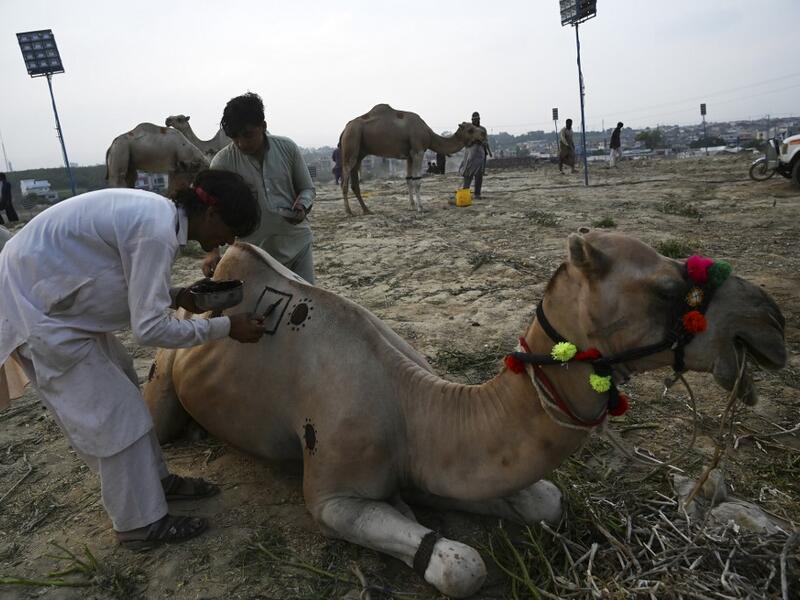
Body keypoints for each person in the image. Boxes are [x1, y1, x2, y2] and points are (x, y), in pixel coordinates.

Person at [0, 169, 268, 550]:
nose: (226, 242)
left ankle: (155, 482)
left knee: (124, 380)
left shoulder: (158, 217)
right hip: (39, 312)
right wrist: (225, 327)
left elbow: (116, 278)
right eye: (229, 230)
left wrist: (175, 295)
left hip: (59, 301)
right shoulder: (156, 231)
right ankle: (138, 525)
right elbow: (149, 330)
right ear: (211, 215)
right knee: (112, 415)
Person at [205, 93, 316, 284]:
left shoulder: (287, 148)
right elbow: (211, 211)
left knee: (304, 308)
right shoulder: (222, 163)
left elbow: (307, 189)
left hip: (297, 245)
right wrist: (212, 252)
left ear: (263, 126)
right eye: (234, 137)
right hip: (252, 255)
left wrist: (301, 207)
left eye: (247, 135)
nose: (241, 144)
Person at [460, 111, 492, 198]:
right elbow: (465, 142)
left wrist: (484, 143)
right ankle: (465, 193)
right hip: (470, 154)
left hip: (480, 155)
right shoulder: (469, 129)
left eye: (477, 119)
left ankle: (477, 194)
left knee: (479, 175)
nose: (476, 121)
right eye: (474, 119)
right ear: (472, 120)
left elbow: (486, 141)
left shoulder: (483, 129)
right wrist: (474, 140)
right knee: (468, 174)